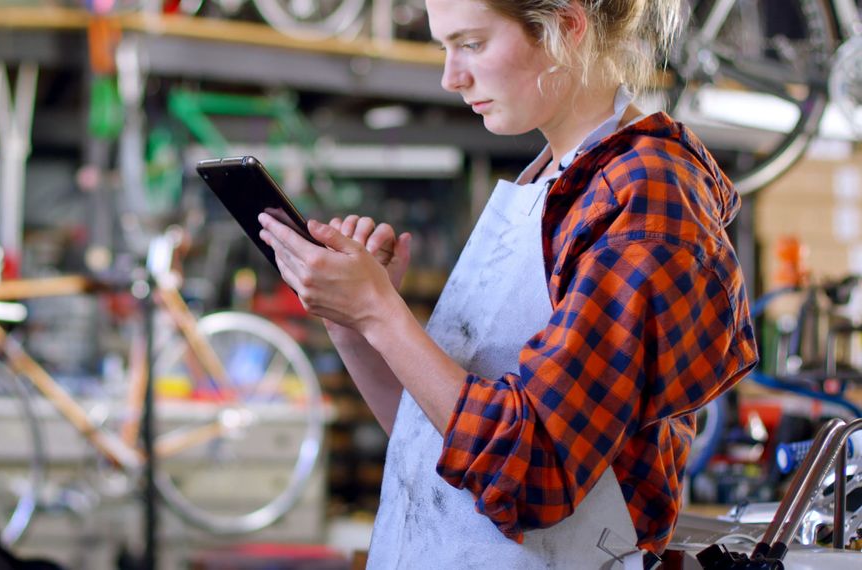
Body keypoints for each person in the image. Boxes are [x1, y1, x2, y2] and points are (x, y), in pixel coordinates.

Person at [258, 0, 759, 567]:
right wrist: (353, 321)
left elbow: (533, 468)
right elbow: (432, 440)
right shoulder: (548, 178)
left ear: (565, 28)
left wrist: (381, 313)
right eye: (445, 47)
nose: (451, 77)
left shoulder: (644, 198)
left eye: (471, 44)